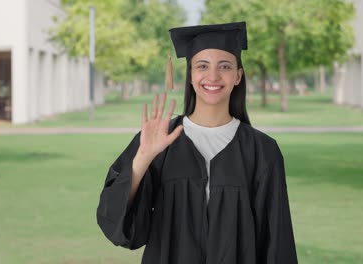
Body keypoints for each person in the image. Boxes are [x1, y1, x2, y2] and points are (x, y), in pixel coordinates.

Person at [96, 21, 298, 264]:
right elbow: (118, 225)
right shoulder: (159, 139)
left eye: (224, 66)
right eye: (202, 66)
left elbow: (277, 241)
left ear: (238, 76)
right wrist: (143, 158)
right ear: (190, 75)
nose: (213, 76)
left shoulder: (262, 151)